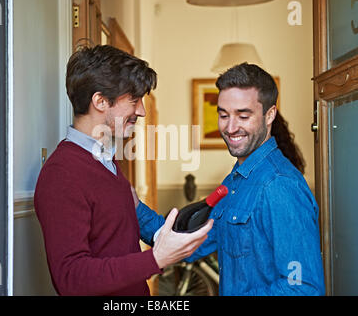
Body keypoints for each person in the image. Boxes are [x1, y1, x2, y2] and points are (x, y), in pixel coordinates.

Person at [34, 44, 213, 296]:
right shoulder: (62, 174)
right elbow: (71, 278)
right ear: (100, 101)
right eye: (133, 99)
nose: (141, 111)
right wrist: (155, 260)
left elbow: (120, 228)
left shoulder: (106, 162)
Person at [136, 63, 325, 295]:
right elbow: (190, 243)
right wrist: (132, 205)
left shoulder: (280, 185)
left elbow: (303, 288)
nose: (231, 127)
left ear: (270, 115)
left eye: (243, 116)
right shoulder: (235, 181)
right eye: (223, 115)